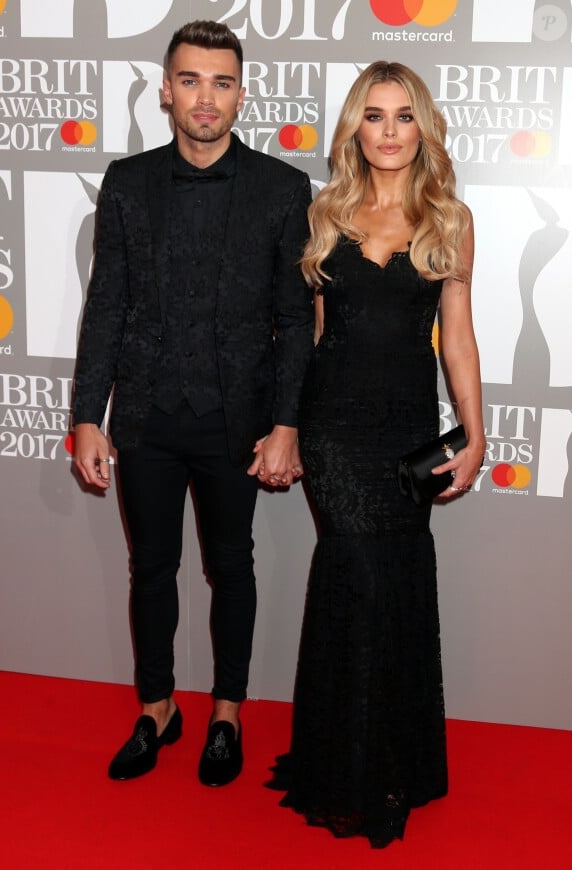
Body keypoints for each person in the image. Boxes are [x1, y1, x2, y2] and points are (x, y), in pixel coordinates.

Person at [72, 20, 312, 786]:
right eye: (190, 80)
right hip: (144, 416)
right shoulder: (127, 181)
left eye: (221, 82)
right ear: (167, 88)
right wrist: (86, 416)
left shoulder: (281, 188)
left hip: (235, 422)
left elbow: (295, 320)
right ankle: (157, 708)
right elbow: (106, 305)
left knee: (232, 567)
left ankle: (227, 713)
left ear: (242, 93)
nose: (205, 98)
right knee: (151, 568)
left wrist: (286, 423)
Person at [270, 62, 486, 847]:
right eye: (374, 115)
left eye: (402, 116)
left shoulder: (450, 219)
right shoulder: (324, 214)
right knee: (356, 574)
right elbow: (311, 336)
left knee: (396, 581)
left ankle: (393, 759)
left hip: (407, 429)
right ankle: (349, 768)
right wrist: (287, 425)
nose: (389, 131)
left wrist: (476, 431)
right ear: (354, 128)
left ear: (421, 126)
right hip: (335, 429)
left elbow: (456, 337)